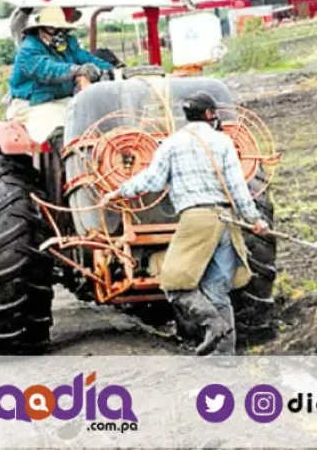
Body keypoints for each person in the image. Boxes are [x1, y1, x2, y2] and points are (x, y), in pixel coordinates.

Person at [102, 91, 270, 356]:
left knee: (173, 283)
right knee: (217, 290)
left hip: (197, 220)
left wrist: (119, 191)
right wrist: (255, 219)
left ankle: (212, 324)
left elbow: (152, 182)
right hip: (226, 222)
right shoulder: (224, 142)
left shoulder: (171, 144)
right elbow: (238, 188)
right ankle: (224, 357)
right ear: (209, 114)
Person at [5, 6, 114, 120]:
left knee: (92, 115)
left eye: (61, 29)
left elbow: (86, 57)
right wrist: (77, 70)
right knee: (58, 125)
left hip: (59, 100)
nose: (58, 33)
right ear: (40, 29)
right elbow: (47, 70)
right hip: (31, 104)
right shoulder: (28, 49)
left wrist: (111, 69)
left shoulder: (68, 44)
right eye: (52, 29)